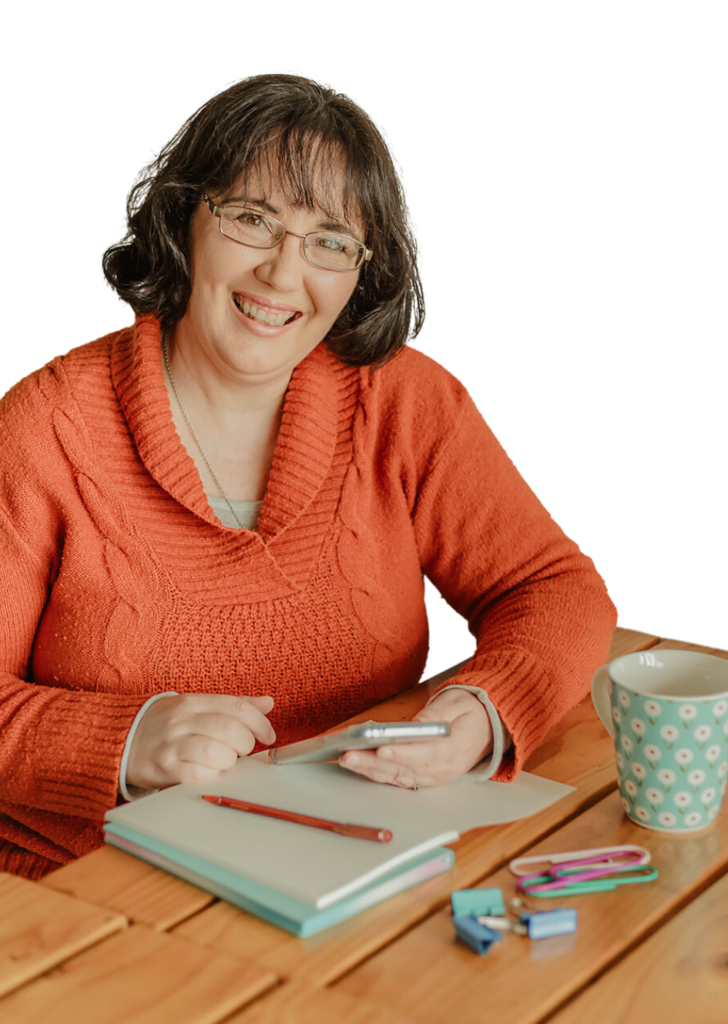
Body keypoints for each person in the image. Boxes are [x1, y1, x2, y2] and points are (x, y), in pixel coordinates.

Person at [0, 73, 616, 881]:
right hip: (89, 887)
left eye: (329, 240)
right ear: (185, 218)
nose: (285, 274)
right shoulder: (47, 427)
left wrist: (486, 709)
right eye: (253, 220)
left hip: (348, 870)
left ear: (363, 269)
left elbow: (555, 586)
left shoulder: (402, 400)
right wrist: (124, 742)